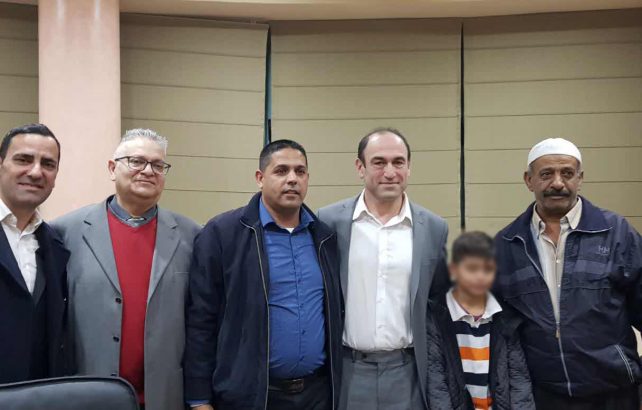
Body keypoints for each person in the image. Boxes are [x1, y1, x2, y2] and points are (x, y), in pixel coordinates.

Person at [184, 139, 342, 410]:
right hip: (251, 396)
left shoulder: (323, 237)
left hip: (317, 395)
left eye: (300, 171)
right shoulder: (223, 234)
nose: (292, 179)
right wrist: (199, 400)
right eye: (281, 171)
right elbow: (201, 320)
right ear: (260, 178)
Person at [52, 129, 200, 410]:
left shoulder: (191, 236)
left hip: (164, 395)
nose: (148, 171)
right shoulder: (65, 233)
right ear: (112, 168)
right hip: (89, 393)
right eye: (137, 161)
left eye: (158, 165)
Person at [494, 137, 642, 409]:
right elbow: (502, 328)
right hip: (543, 394)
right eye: (546, 174)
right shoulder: (507, 244)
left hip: (614, 391)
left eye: (567, 173)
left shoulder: (616, 233)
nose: (558, 183)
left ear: (580, 178)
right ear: (529, 180)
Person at [318, 127, 449, 410]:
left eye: (398, 162)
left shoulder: (433, 228)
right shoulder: (328, 222)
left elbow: (438, 301)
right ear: (360, 167)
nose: (390, 172)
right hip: (348, 371)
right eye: (379, 162)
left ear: (409, 167)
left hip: (409, 373)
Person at [426, 231, 535, 410]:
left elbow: (518, 376)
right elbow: (437, 383)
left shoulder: (505, 317)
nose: (480, 276)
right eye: (472, 269)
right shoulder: (437, 318)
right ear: (453, 270)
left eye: (488, 269)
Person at [0, 123, 71, 383]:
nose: (35, 172)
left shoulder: (55, 245)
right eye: (24, 159)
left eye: (48, 164)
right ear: (1, 164)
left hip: (35, 393)